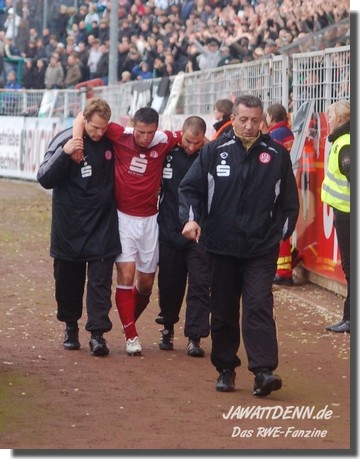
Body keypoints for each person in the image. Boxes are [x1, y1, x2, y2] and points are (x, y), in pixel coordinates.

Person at [179, 95, 299, 396]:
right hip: (220, 245)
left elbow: (288, 203)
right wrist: (192, 220)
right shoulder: (214, 151)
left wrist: (279, 234)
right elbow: (190, 189)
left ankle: (263, 371)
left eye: (255, 121)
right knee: (223, 309)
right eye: (243, 120)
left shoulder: (276, 154)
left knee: (258, 304)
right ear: (233, 118)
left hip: (260, 248)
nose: (249, 126)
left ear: (263, 122)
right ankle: (225, 368)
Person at [73, 107, 180, 356]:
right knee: (126, 274)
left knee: (145, 284)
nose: (144, 138)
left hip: (151, 220)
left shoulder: (164, 140)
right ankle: (131, 336)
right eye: (141, 132)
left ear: (157, 128)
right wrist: (78, 142)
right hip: (122, 218)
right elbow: (82, 115)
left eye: (150, 133)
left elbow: (190, 135)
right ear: (134, 126)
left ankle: (127, 320)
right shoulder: (120, 134)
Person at [37, 98, 121, 357]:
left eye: (102, 128)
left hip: (102, 223)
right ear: (83, 120)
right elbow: (44, 178)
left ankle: (97, 335)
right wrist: (65, 154)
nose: (98, 133)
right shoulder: (65, 139)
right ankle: (70, 327)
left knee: (100, 283)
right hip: (69, 226)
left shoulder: (111, 140)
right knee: (67, 282)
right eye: (94, 127)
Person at [156, 116, 210, 357]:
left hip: (200, 232)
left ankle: (195, 336)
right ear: (181, 134)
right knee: (170, 283)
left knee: (200, 284)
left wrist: (206, 148)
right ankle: (167, 327)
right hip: (169, 229)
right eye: (188, 141)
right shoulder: (166, 151)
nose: (191, 147)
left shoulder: (208, 156)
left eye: (197, 143)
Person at [321, 100, 350, 333]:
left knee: (352, 269)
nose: (328, 121)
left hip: (349, 215)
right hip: (345, 212)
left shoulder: (345, 144)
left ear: (340, 119)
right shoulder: (342, 141)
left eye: (330, 117)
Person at [265, 103, 297, 286]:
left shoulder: (275, 135)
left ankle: (283, 271)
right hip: (289, 179)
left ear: (270, 116)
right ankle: (289, 261)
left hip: (279, 183)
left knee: (279, 226)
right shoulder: (287, 132)